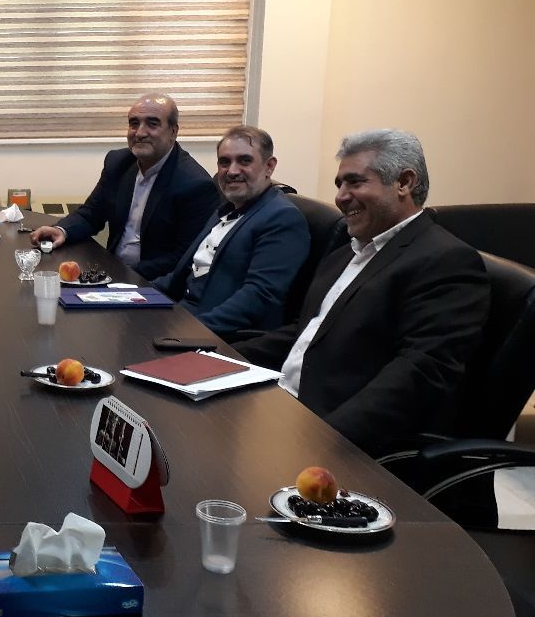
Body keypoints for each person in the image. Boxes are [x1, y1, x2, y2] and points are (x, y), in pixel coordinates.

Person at [235, 129, 489, 457]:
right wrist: (219, 358)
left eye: (354, 182)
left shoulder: (446, 261)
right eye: (339, 184)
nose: (341, 197)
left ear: (404, 182)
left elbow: (420, 373)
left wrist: (322, 439)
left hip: (335, 438)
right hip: (281, 406)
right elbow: (307, 333)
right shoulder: (347, 251)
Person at [30, 93, 219, 279]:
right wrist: (62, 230)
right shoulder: (118, 162)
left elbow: (183, 258)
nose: (140, 133)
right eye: (134, 123)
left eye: (152, 124)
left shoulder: (195, 185)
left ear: (173, 132)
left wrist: (120, 274)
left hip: (154, 284)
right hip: (112, 273)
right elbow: (91, 213)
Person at [152, 126, 309, 337]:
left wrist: (191, 331)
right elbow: (180, 277)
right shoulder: (226, 209)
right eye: (224, 162)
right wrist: (131, 294)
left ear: (269, 166)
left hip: (216, 333)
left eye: (244, 161)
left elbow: (259, 297)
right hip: (180, 312)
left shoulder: (282, 218)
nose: (232, 171)